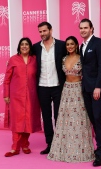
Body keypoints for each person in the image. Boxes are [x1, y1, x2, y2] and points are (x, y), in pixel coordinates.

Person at [47, 36, 95, 163]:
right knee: (65, 120)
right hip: (66, 90)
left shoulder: (81, 58)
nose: (69, 46)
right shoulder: (63, 59)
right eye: (67, 44)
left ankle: (81, 151)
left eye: (72, 44)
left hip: (79, 90)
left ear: (76, 45)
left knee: (79, 120)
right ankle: (64, 150)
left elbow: (90, 71)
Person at [3, 37, 41, 157]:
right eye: (22, 44)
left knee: (28, 121)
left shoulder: (34, 60)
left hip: (31, 95)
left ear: (30, 47)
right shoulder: (13, 60)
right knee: (17, 121)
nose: (24, 46)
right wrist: (6, 95)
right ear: (19, 47)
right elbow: (7, 79)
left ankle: (25, 145)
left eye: (27, 45)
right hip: (16, 96)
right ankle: (15, 148)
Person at [79, 18, 101, 166]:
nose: (83, 30)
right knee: (92, 119)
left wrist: (98, 86)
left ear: (92, 28)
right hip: (85, 88)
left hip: (97, 88)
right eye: (81, 28)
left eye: (85, 28)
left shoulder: (99, 43)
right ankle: (97, 148)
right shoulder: (82, 46)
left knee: (97, 118)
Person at [33, 21, 67, 154]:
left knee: (59, 116)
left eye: (44, 31)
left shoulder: (62, 45)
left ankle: (60, 144)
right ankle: (50, 144)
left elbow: (74, 57)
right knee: (46, 117)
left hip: (58, 86)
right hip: (42, 87)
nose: (42, 34)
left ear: (50, 30)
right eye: (40, 32)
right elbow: (23, 55)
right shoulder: (36, 47)